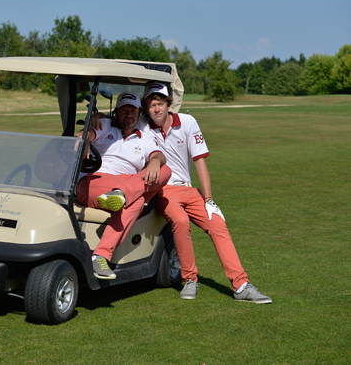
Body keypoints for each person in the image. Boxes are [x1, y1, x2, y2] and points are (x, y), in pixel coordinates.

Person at [141, 81, 272, 303]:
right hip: (163, 191)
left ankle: (241, 285)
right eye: (151, 104)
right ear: (146, 107)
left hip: (189, 190)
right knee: (181, 221)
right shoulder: (143, 125)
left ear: (168, 103)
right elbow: (117, 119)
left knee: (218, 224)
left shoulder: (188, 122)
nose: (156, 109)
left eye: (160, 103)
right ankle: (190, 279)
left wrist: (209, 199)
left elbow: (200, 161)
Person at [77, 92, 171, 279]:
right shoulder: (105, 125)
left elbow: (159, 155)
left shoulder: (144, 137)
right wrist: (85, 139)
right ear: (116, 112)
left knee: (164, 170)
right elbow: (86, 132)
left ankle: (100, 256)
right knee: (135, 201)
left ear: (139, 113)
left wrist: (154, 160)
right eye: (124, 110)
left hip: (124, 185)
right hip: (94, 181)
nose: (128, 115)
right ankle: (123, 195)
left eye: (132, 111)